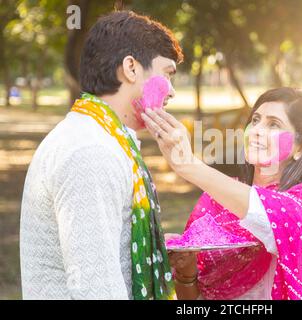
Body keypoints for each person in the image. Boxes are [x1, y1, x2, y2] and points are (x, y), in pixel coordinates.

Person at [20, 11, 183, 300]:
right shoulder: (91, 150)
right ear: (131, 68)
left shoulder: (102, 135)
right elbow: (96, 290)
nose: (171, 91)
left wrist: (155, 247)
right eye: (167, 73)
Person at [142, 87, 302, 300]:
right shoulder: (216, 201)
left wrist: (188, 165)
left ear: (300, 147)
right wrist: (187, 270)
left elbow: (270, 216)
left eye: (273, 124)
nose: (256, 131)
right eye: (255, 120)